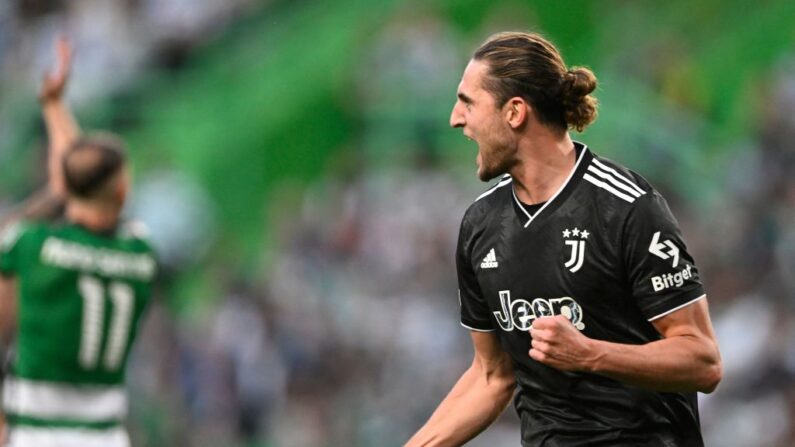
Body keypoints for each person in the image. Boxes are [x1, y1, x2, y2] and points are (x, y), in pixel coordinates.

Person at [406, 31, 722, 446]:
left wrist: (591, 353)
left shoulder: (626, 208)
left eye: (468, 102)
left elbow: (702, 360)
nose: (455, 118)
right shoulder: (480, 225)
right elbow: (492, 375)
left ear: (514, 112)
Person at [0, 39, 156, 447]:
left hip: (35, 436)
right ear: (121, 193)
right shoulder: (139, 252)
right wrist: (55, 107)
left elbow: (69, 186)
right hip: (106, 437)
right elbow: (78, 183)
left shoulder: (31, 247)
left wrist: (52, 107)